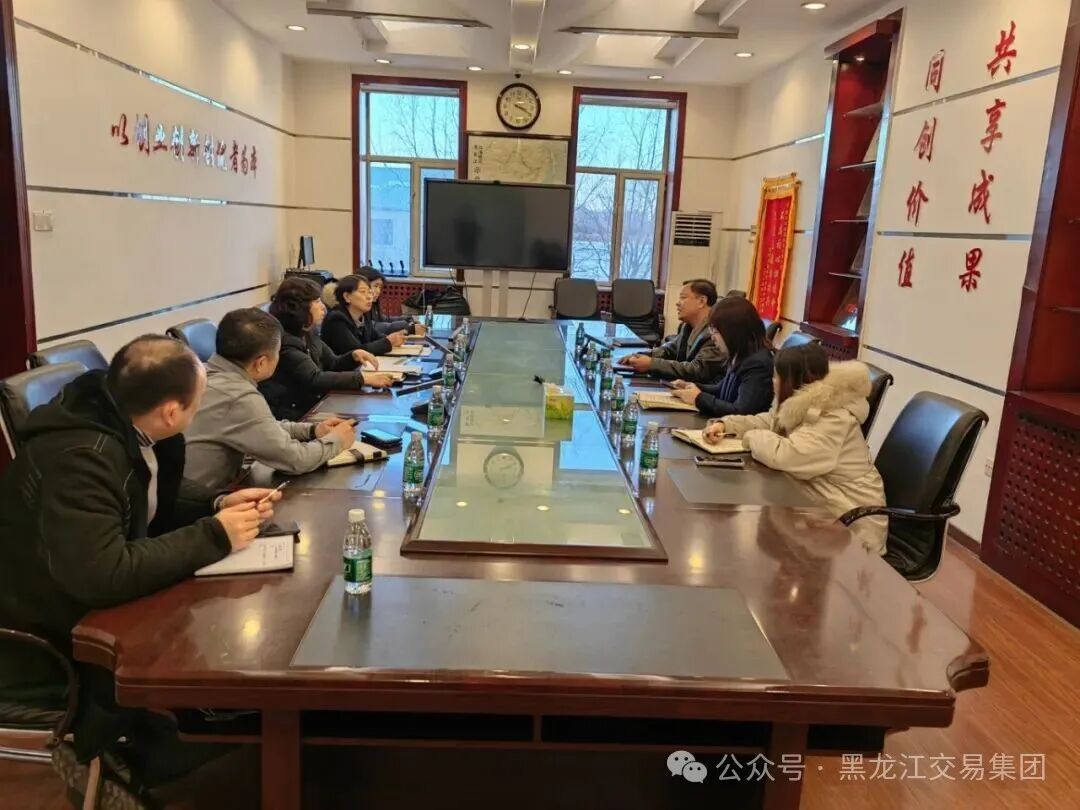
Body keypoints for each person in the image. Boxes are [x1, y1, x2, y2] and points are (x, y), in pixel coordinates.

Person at [0, 335, 283, 798]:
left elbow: (146, 493)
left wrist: (217, 503)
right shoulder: (82, 458)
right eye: (198, 402)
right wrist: (215, 535)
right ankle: (126, 762)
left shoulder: (123, 418)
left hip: (87, 602)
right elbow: (102, 574)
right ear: (171, 412)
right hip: (48, 638)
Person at [704, 343, 888, 554]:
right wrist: (728, 425)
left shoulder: (834, 416)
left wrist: (750, 437)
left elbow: (789, 456)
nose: (773, 381)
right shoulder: (801, 402)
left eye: (777, 376)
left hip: (850, 522)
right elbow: (771, 422)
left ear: (794, 380)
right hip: (817, 507)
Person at [185, 308, 358, 489]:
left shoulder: (204, 373)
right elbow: (295, 460)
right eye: (278, 353)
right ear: (260, 363)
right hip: (208, 499)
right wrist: (337, 440)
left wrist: (312, 430)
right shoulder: (238, 396)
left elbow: (260, 426)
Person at [259, 277, 394, 420]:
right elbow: (315, 378)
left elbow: (333, 363)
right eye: (317, 301)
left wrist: (353, 356)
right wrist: (362, 379)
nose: (323, 307)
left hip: (315, 404)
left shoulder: (308, 331)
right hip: (294, 415)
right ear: (300, 307)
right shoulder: (285, 340)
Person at [671, 296, 774, 418]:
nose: (712, 337)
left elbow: (741, 412)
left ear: (734, 332)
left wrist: (699, 398)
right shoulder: (740, 354)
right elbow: (721, 389)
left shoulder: (757, 365)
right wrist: (693, 386)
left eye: (715, 332)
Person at [618, 279, 726, 383]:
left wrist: (652, 364)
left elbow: (698, 370)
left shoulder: (715, 333)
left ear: (701, 301)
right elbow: (668, 350)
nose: (677, 303)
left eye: (683, 298)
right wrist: (639, 355)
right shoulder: (686, 326)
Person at [321, 274, 404, 356]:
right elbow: (355, 351)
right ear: (347, 297)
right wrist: (388, 342)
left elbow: (375, 336)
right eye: (363, 292)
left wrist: (394, 339)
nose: (369, 297)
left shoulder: (364, 315)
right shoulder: (336, 319)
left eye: (370, 292)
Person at [355, 265, 426, 338]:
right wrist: (408, 328)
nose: (378, 291)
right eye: (375, 286)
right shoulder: (359, 306)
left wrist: (407, 319)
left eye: (380, 287)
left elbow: (383, 319)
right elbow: (373, 327)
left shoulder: (373, 303)